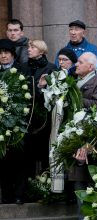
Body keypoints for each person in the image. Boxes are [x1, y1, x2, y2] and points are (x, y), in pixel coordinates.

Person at [22, 39, 57, 178]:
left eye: (33, 47)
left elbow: (53, 93)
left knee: (44, 153)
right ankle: (29, 186)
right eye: (28, 47)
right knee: (27, 153)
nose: (29, 49)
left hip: (43, 118)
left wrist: (41, 87)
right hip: (26, 116)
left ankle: (45, 184)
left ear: (41, 51)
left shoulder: (51, 68)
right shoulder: (24, 67)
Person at [0, 39, 26, 204]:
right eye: (0, 53)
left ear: (13, 55)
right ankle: (6, 195)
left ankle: (20, 194)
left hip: (18, 125)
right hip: (1, 125)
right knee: (2, 161)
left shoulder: (22, 70)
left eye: (6, 53)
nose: (3, 56)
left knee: (19, 161)